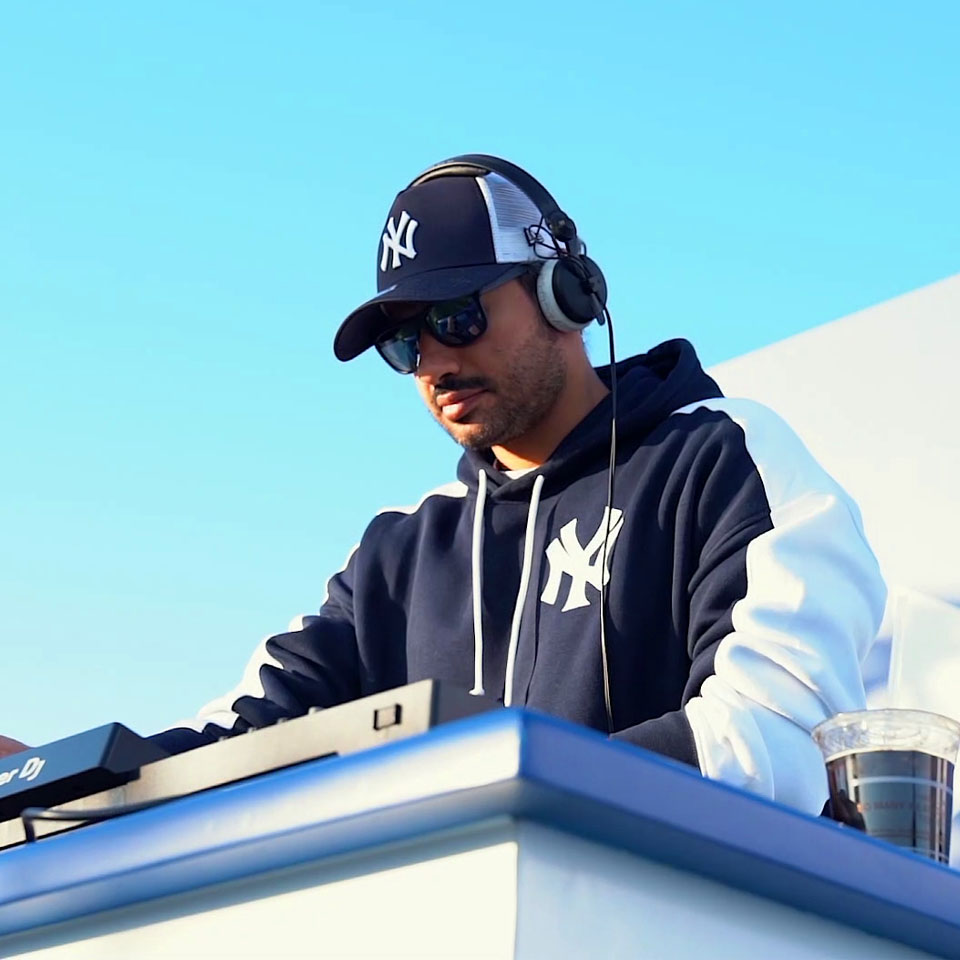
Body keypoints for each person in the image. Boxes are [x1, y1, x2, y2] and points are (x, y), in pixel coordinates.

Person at [0, 156, 886, 815]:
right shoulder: (399, 549)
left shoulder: (721, 458)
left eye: (458, 316)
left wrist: (494, 783)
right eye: (406, 343)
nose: (435, 361)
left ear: (564, 295)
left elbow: (778, 738)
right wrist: (57, 784)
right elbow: (244, 741)